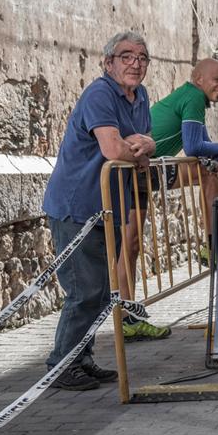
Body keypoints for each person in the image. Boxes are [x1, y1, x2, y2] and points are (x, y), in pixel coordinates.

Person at [41, 31, 156, 391]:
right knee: (84, 290)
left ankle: (81, 358)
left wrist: (146, 144)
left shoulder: (140, 96)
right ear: (108, 63)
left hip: (108, 207)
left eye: (142, 57)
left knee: (103, 289)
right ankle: (61, 365)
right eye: (126, 56)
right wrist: (136, 147)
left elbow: (142, 145)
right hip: (78, 206)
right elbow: (113, 149)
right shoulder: (100, 94)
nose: (135, 63)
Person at [148, 58, 218, 259]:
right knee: (209, 173)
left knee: (210, 172)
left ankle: (212, 247)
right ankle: (213, 248)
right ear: (199, 79)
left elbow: (204, 141)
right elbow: (193, 147)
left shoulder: (189, 95)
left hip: (144, 165)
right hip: (143, 165)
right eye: (217, 80)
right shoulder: (194, 97)